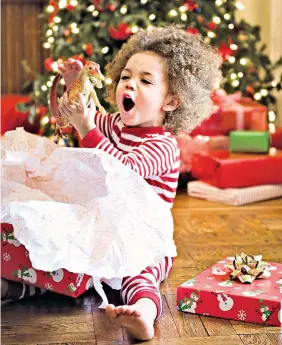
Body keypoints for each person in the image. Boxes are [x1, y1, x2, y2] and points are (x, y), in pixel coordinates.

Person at [2, 25, 222, 340]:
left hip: (142, 232)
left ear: (171, 101)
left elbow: (123, 170)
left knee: (140, 275)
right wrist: (73, 86)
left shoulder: (163, 146)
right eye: (126, 77)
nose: (130, 84)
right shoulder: (116, 123)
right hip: (103, 218)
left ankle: (144, 315)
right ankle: (15, 287)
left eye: (145, 81)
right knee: (72, 259)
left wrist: (88, 129)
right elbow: (77, 118)